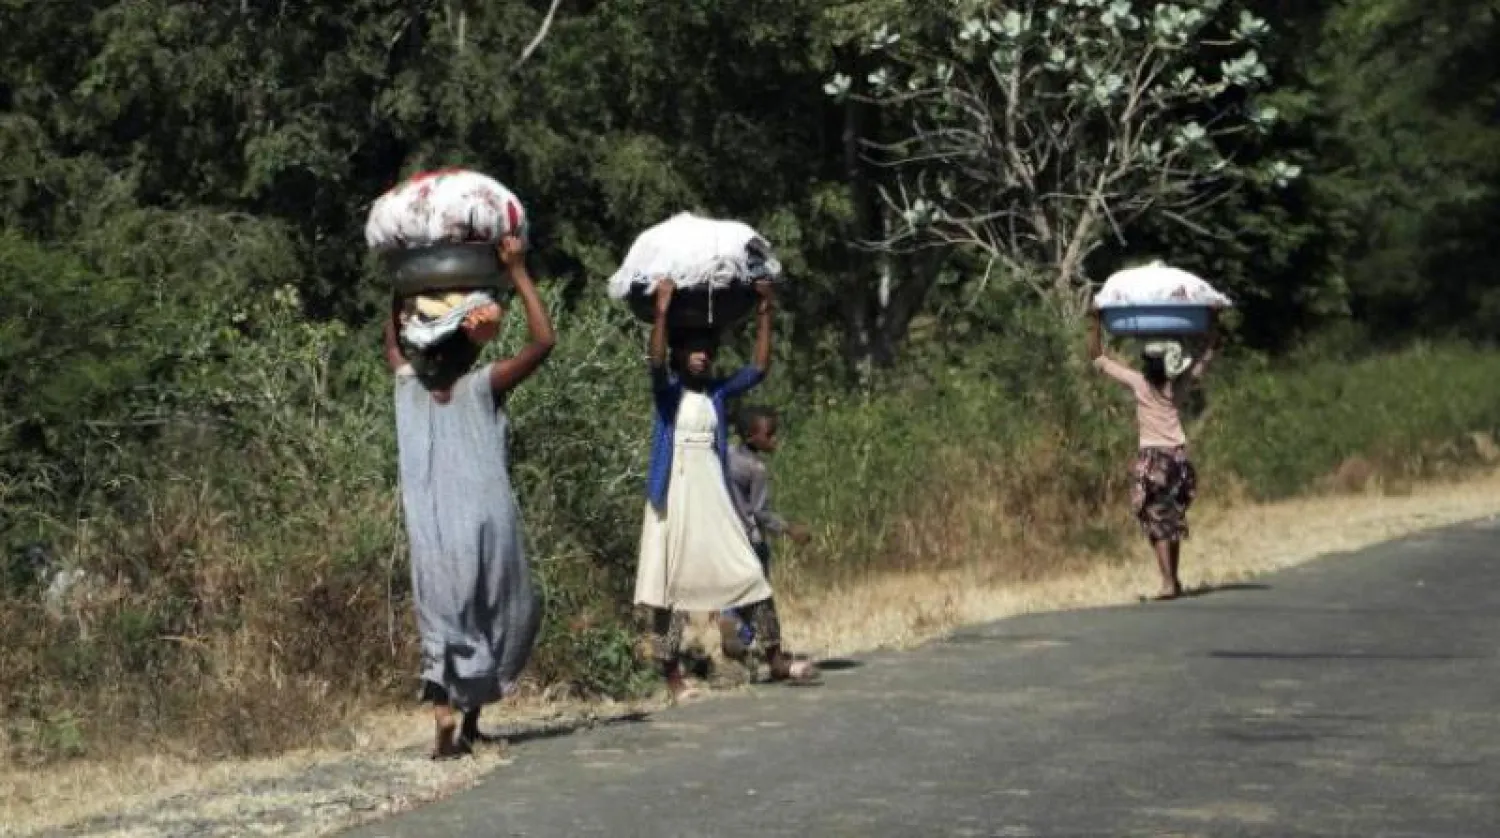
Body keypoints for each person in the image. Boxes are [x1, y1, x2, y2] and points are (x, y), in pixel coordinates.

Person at [383, 234, 556, 759]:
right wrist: (519, 270)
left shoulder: (406, 385)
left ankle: (446, 711)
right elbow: (543, 342)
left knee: (443, 618)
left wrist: (401, 280)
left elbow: (392, 340)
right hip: (486, 518)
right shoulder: (485, 384)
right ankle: (472, 719)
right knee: (500, 608)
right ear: (470, 345)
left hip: (430, 527)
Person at [634, 278, 818, 702]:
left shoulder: (716, 392)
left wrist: (764, 310)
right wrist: (661, 311)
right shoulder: (669, 393)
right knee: (670, 587)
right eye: (692, 349)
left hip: (712, 495)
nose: (700, 356)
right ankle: (675, 679)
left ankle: (775, 659)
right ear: (680, 354)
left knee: (749, 572)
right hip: (674, 496)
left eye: (707, 349)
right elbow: (655, 361)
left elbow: (758, 369)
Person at [1088, 308, 1218, 601]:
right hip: (1179, 460)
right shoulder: (1179, 385)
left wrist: (1095, 321)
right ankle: (1174, 579)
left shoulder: (1139, 383)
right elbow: (1209, 353)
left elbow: (1097, 357)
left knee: (1155, 521)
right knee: (1171, 519)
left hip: (1154, 461)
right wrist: (1212, 319)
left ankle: (1168, 582)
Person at [718, 405, 811, 661]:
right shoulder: (756, 469)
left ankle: (733, 630)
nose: (774, 440)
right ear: (751, 436)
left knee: (734, 589)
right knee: (759, 592)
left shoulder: (725, 456)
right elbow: (759, 513)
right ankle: (741, 631)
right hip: (751, 539)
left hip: (726, 537)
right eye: (769, 435)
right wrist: (788, 528)